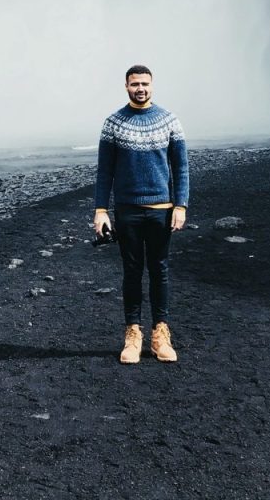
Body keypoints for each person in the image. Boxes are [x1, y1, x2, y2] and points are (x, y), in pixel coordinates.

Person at [93, 65, 189, 363]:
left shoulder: (169, 121)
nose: (140, 88)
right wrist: (101, 211)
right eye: (135, 84)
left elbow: (181, 167)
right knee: (132, 273)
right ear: (126, 86)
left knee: (159, 271)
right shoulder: (113, 123)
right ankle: (133, 335)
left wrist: (181, 205)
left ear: (152, 85)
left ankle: (160, 335)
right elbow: (104, 171)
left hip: (161, 210)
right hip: (127, 211)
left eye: (145, 83)